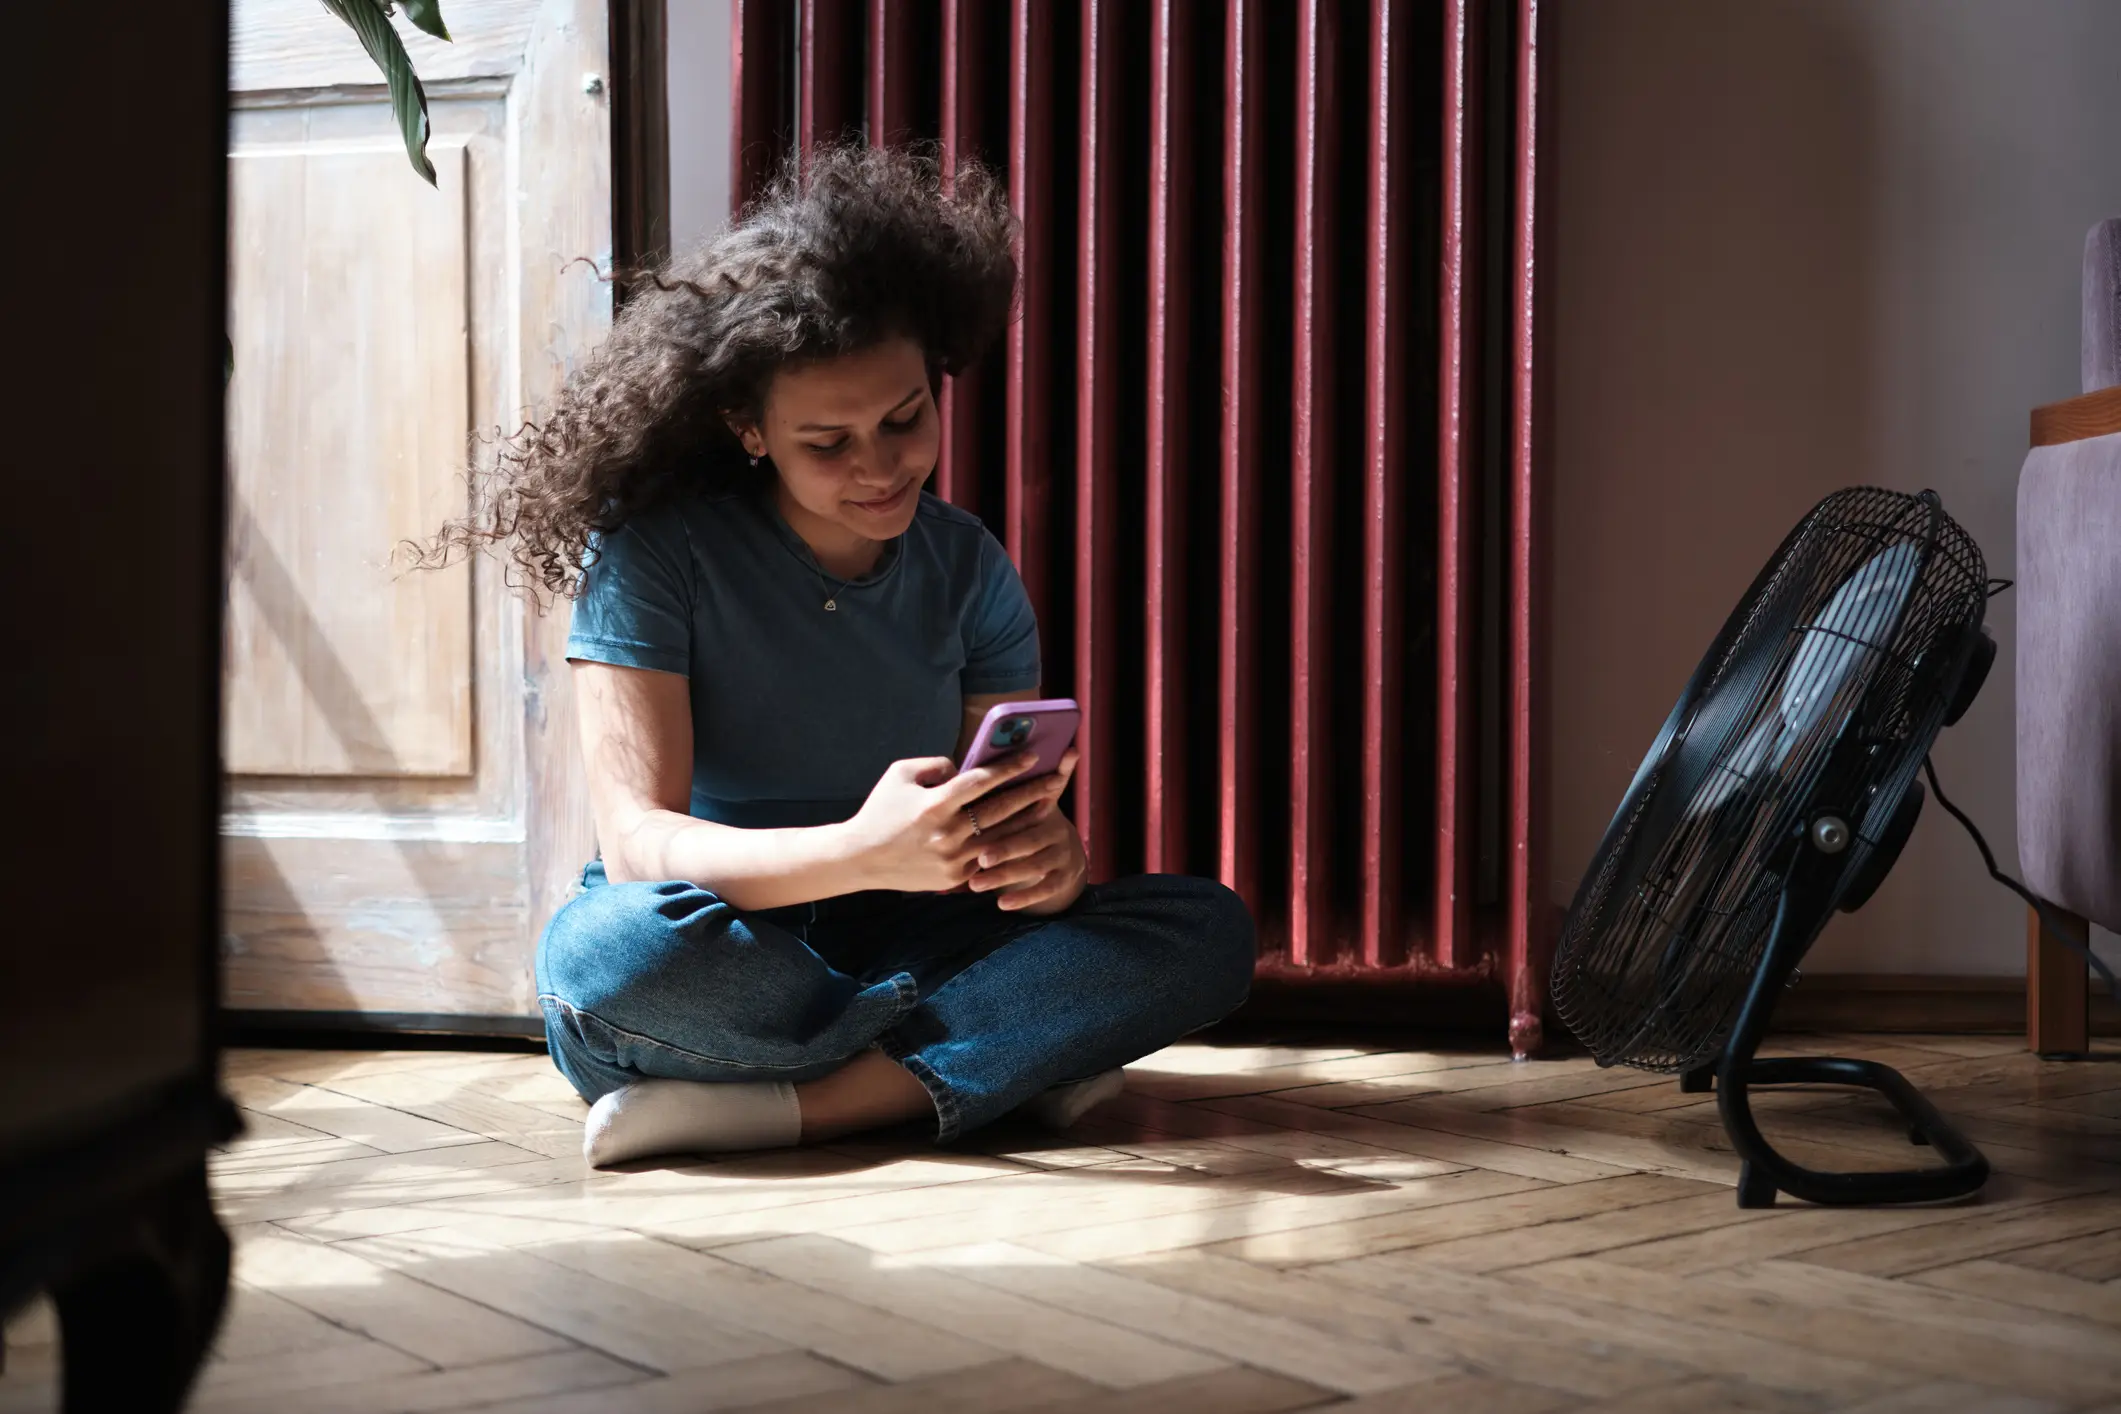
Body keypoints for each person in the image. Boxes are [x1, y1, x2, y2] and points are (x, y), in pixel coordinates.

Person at [427, 145, 1255, 1168]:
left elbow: (993, 835)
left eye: (905, 418)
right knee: (601, 959)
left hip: (909, 935)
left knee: (1205, 926)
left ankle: (795, 1104)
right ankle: (994, 1057)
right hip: (725, 946)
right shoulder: (655, 554)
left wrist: (1047, 868)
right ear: (749, 428)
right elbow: (640, 846)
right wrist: (859, 851)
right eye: (829, 442)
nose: (880, 465)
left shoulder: (969, 568)